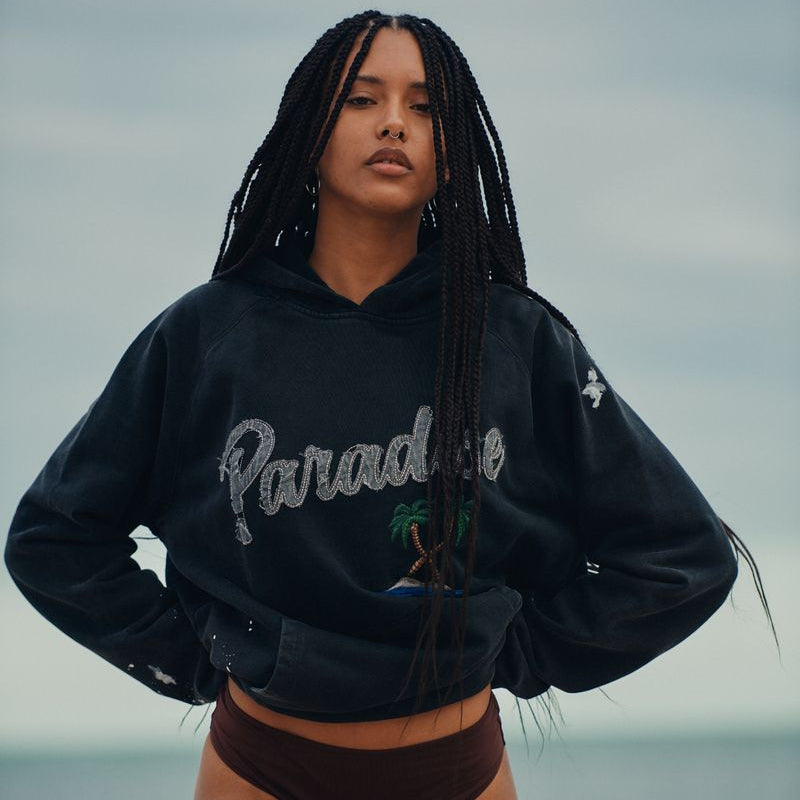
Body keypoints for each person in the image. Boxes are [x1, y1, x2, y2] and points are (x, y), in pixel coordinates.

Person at [3, 10, 777, 800]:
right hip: (260, 767)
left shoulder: (513, 335)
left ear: (454, 146)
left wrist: (512, 654)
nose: (395, 125)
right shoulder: (210, 332)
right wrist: (205, 654)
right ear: (310, 128)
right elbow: (52, 539)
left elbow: (684, 558)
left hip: (454, 766)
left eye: (425, 107)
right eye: (361, 99)